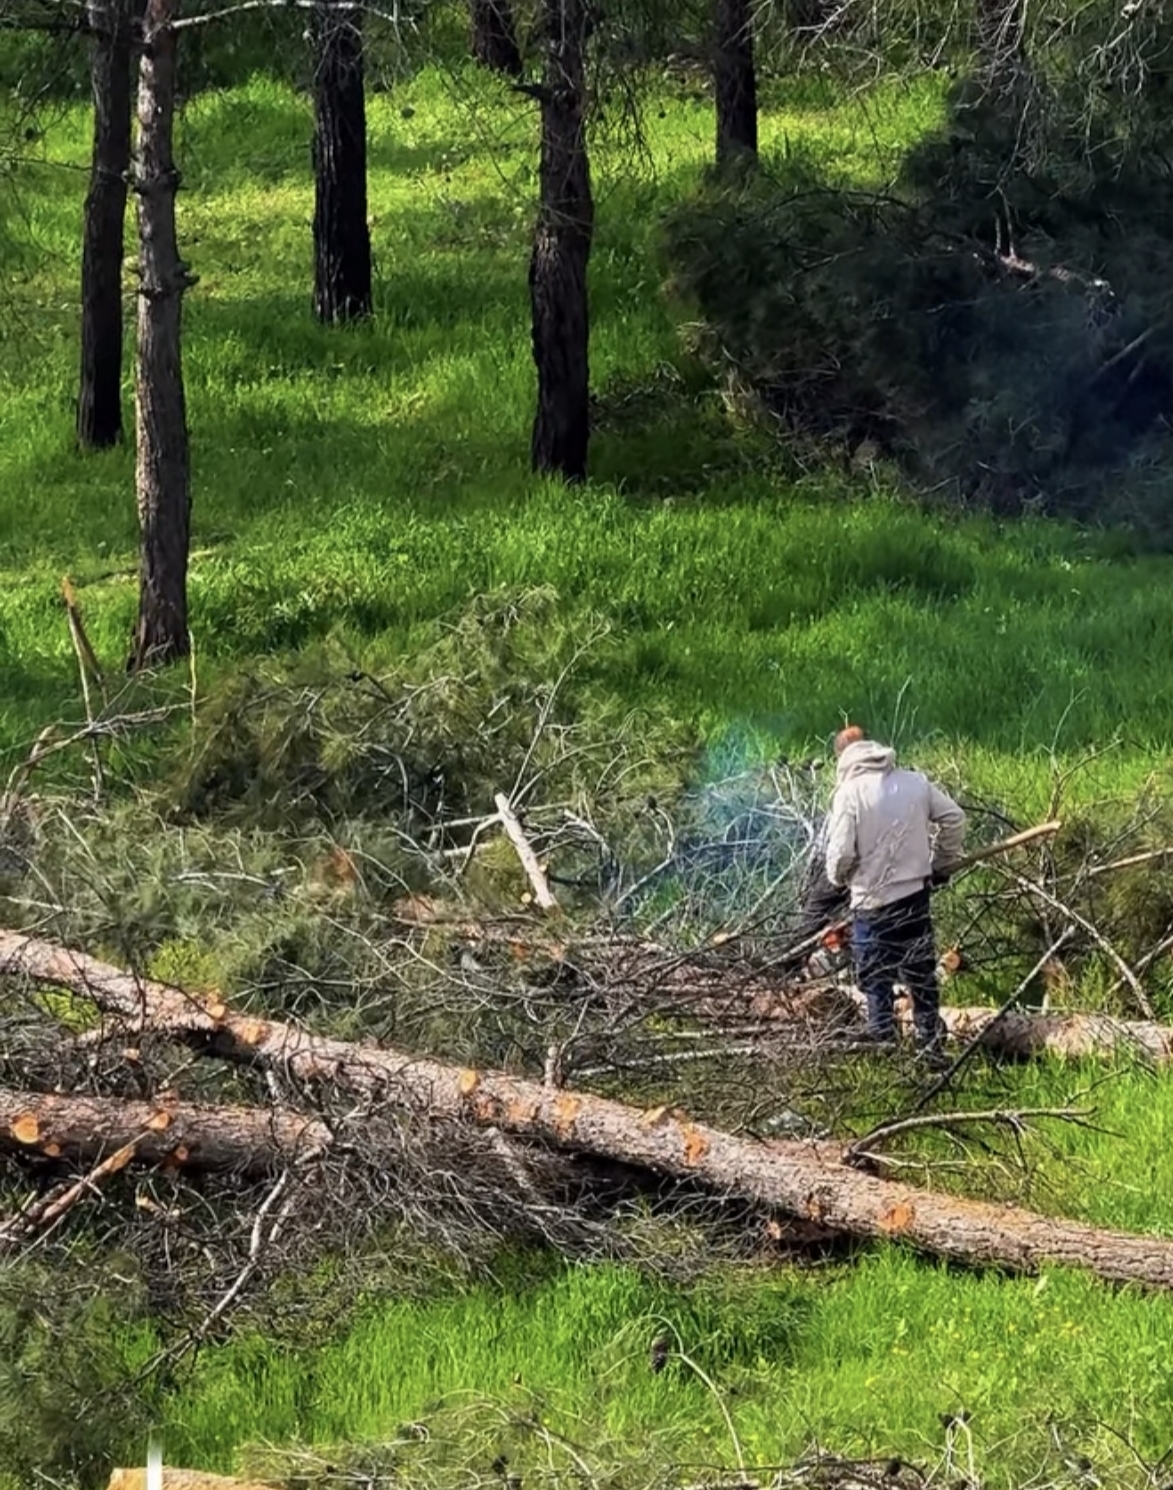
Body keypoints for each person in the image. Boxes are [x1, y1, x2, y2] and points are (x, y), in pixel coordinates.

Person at [824, 726, 966, 1060]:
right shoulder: (915, 783)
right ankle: (931, 1048)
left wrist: (839, 880)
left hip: (871, 905)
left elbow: (841, 855)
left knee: (876, 981)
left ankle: (885, 1048)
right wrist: (941, 865)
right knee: (921, 977)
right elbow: (955, 819)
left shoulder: (849, 794)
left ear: (841, 758)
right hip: (915, 897)